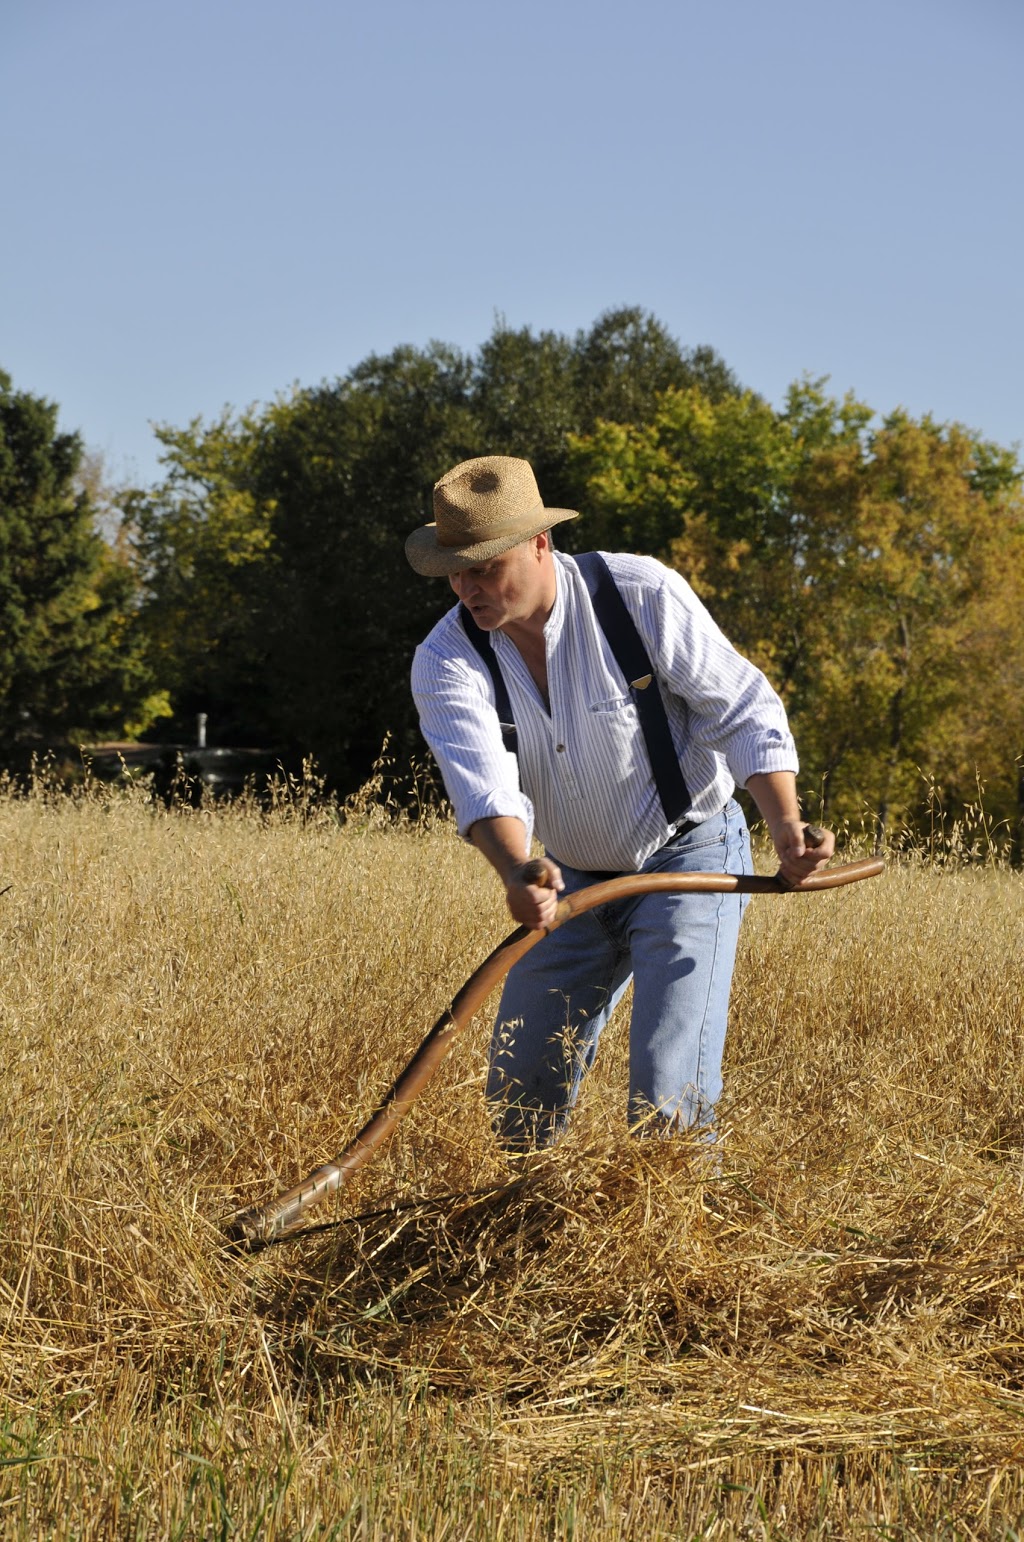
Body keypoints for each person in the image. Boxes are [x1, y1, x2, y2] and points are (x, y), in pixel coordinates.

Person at [405, 455, 834, 1151]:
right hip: (569, 877)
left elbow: (746, 711)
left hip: (687, 855)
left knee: (667, 1096)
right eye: (455, 569)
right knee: (519, 1093)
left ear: (541, 544)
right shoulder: (447, 657)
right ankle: (530, 1230)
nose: (467, 587)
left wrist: (785, 826)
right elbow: (481, 781)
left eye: (486, 566)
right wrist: (520, 872)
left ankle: (680, 1237)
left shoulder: (639, 597)